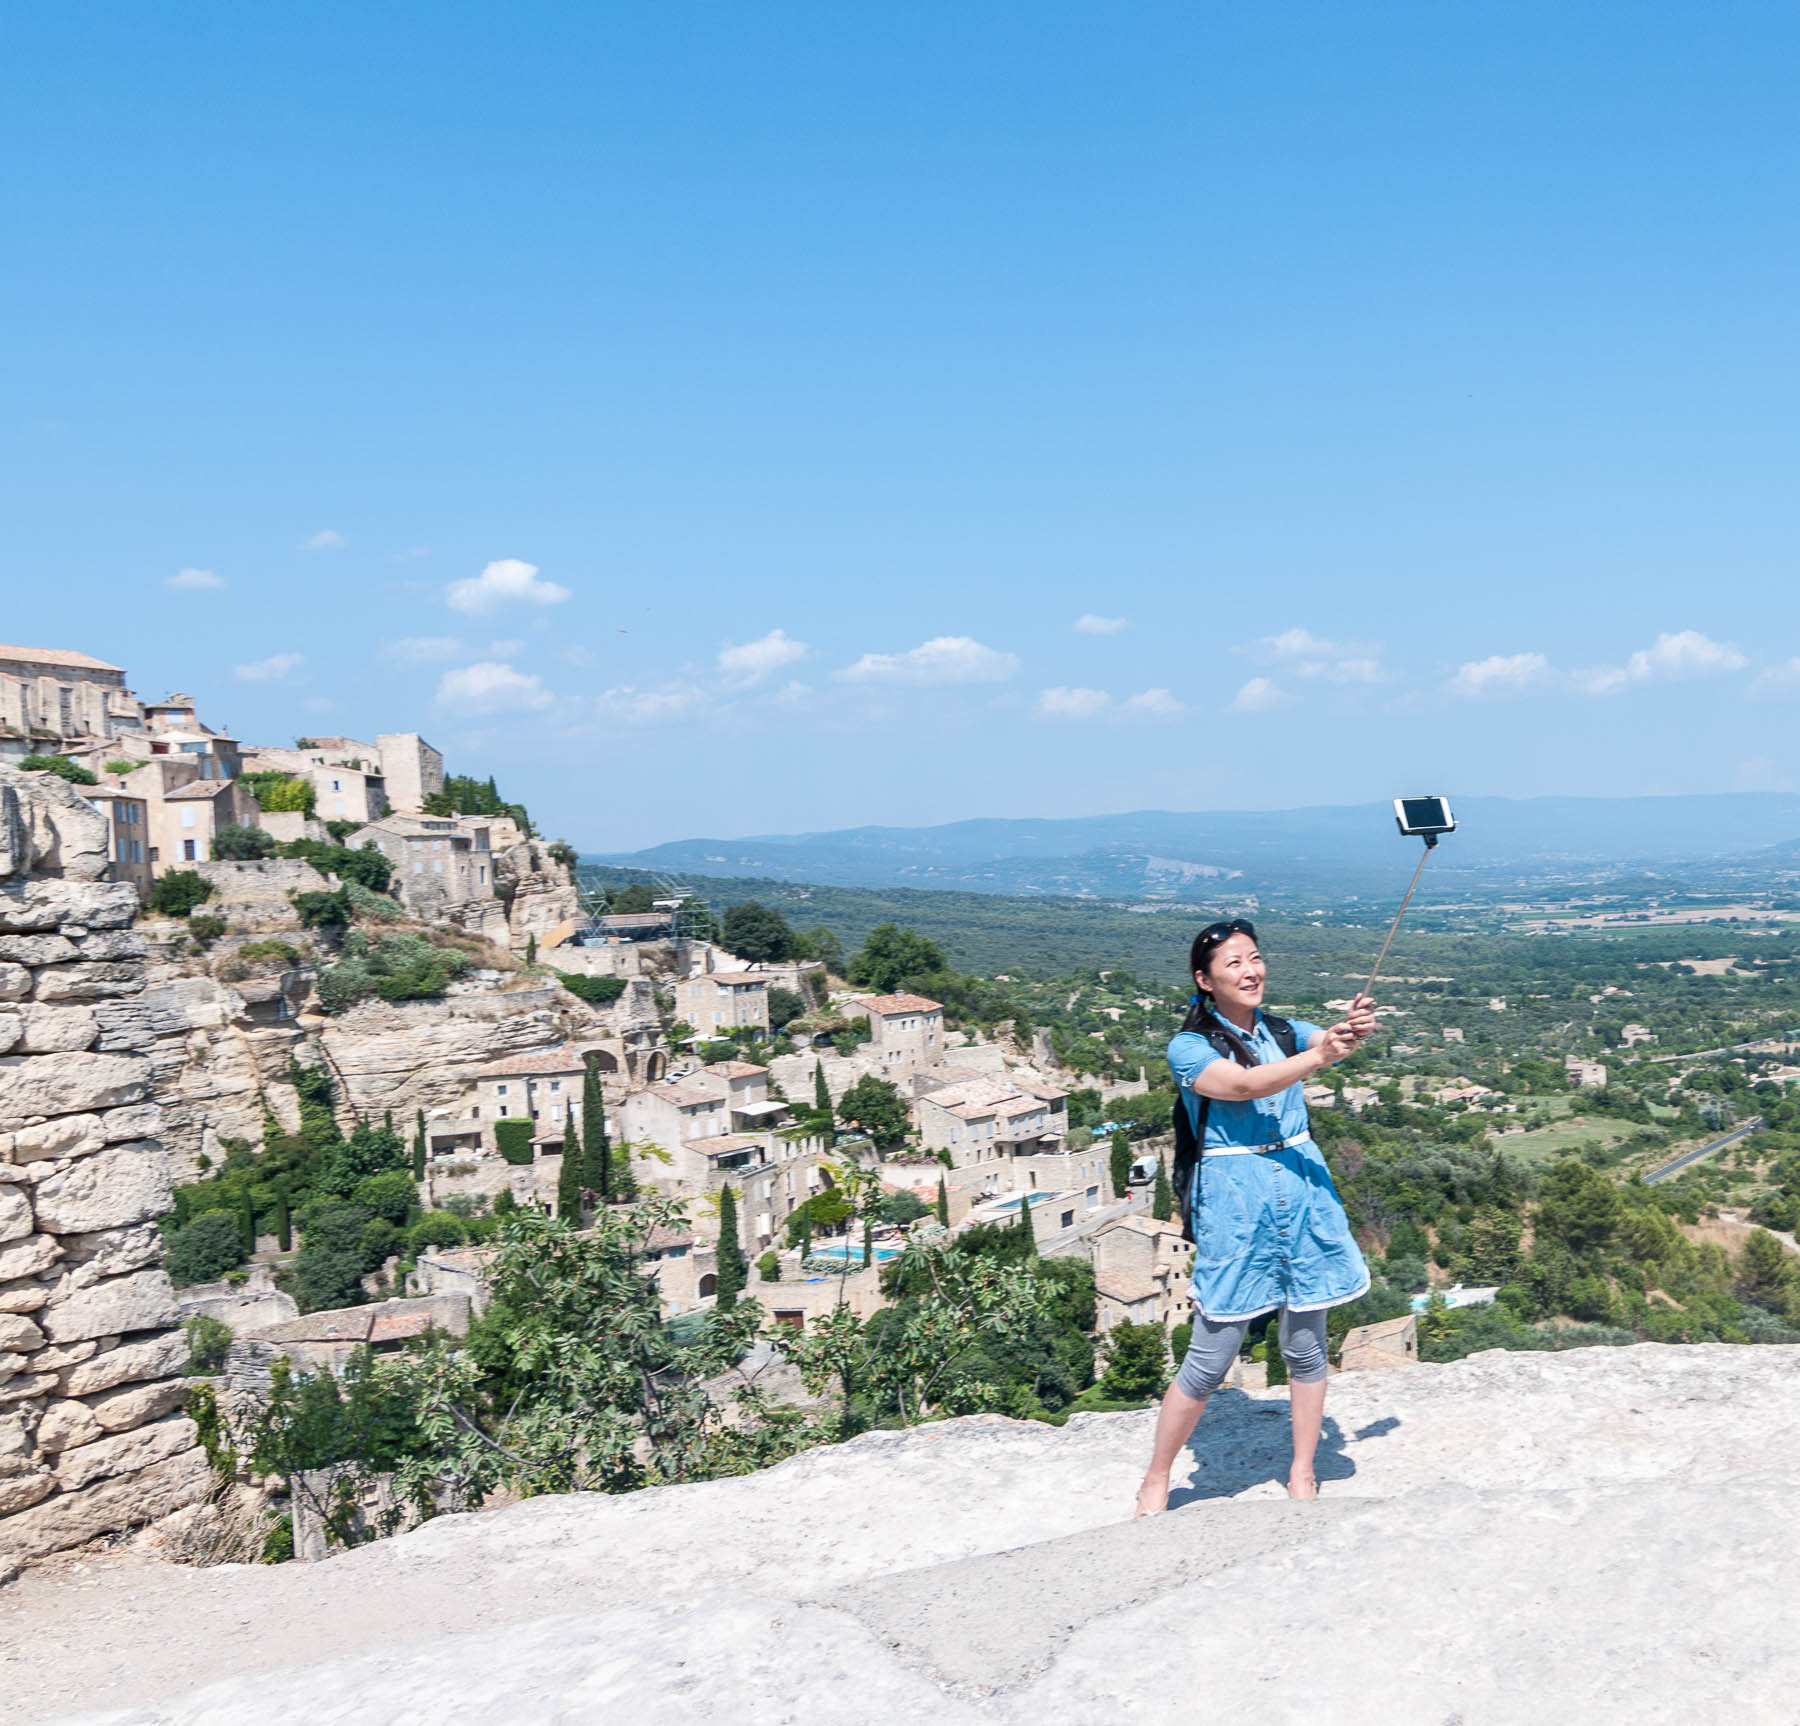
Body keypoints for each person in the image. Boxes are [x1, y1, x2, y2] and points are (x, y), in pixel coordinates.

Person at [1135, 919, 1375, 1514]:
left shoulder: (1286, 1030)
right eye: (1234, 963)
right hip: (1236, 1203)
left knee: (1305, 1343)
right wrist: (1319, 1056)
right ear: (1204, 979)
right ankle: (1158, 1477)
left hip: (1301, 1193)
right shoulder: (1188, 1047)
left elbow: (1336, 1043)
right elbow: (1240, 1087)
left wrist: (1351, 1031)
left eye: (1256, 958)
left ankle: (1301, 1472)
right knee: (1212, 1354)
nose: (1250, 971)